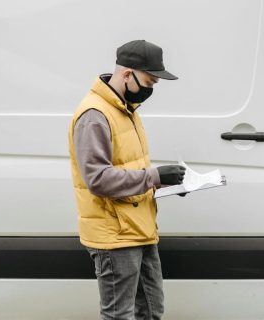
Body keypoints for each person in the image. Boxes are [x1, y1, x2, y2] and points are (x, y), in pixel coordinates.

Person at [68, 39, 185, 320]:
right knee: (120, 314)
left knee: (151, 312)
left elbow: (128, 169)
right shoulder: (95, 115)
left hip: (139, 228)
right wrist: (154, 176)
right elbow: (98, 179)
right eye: (149, 81)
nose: (151, 89)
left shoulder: (125, 110)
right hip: (115, 235)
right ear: (126, 74)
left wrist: (165, 183)